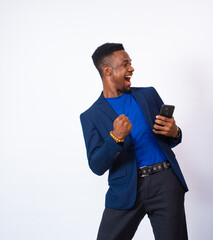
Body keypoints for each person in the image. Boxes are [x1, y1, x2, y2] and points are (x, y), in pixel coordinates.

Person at [80, 43, 188, 240]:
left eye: (131, 63)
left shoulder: (148, 95)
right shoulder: (91, 116)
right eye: (125, 64)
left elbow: (170, 139)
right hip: (125, 191)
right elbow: (96, 165)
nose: (131, 68)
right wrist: (115, 138)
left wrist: (174, 132)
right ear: (107, 71)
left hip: (165, 182)